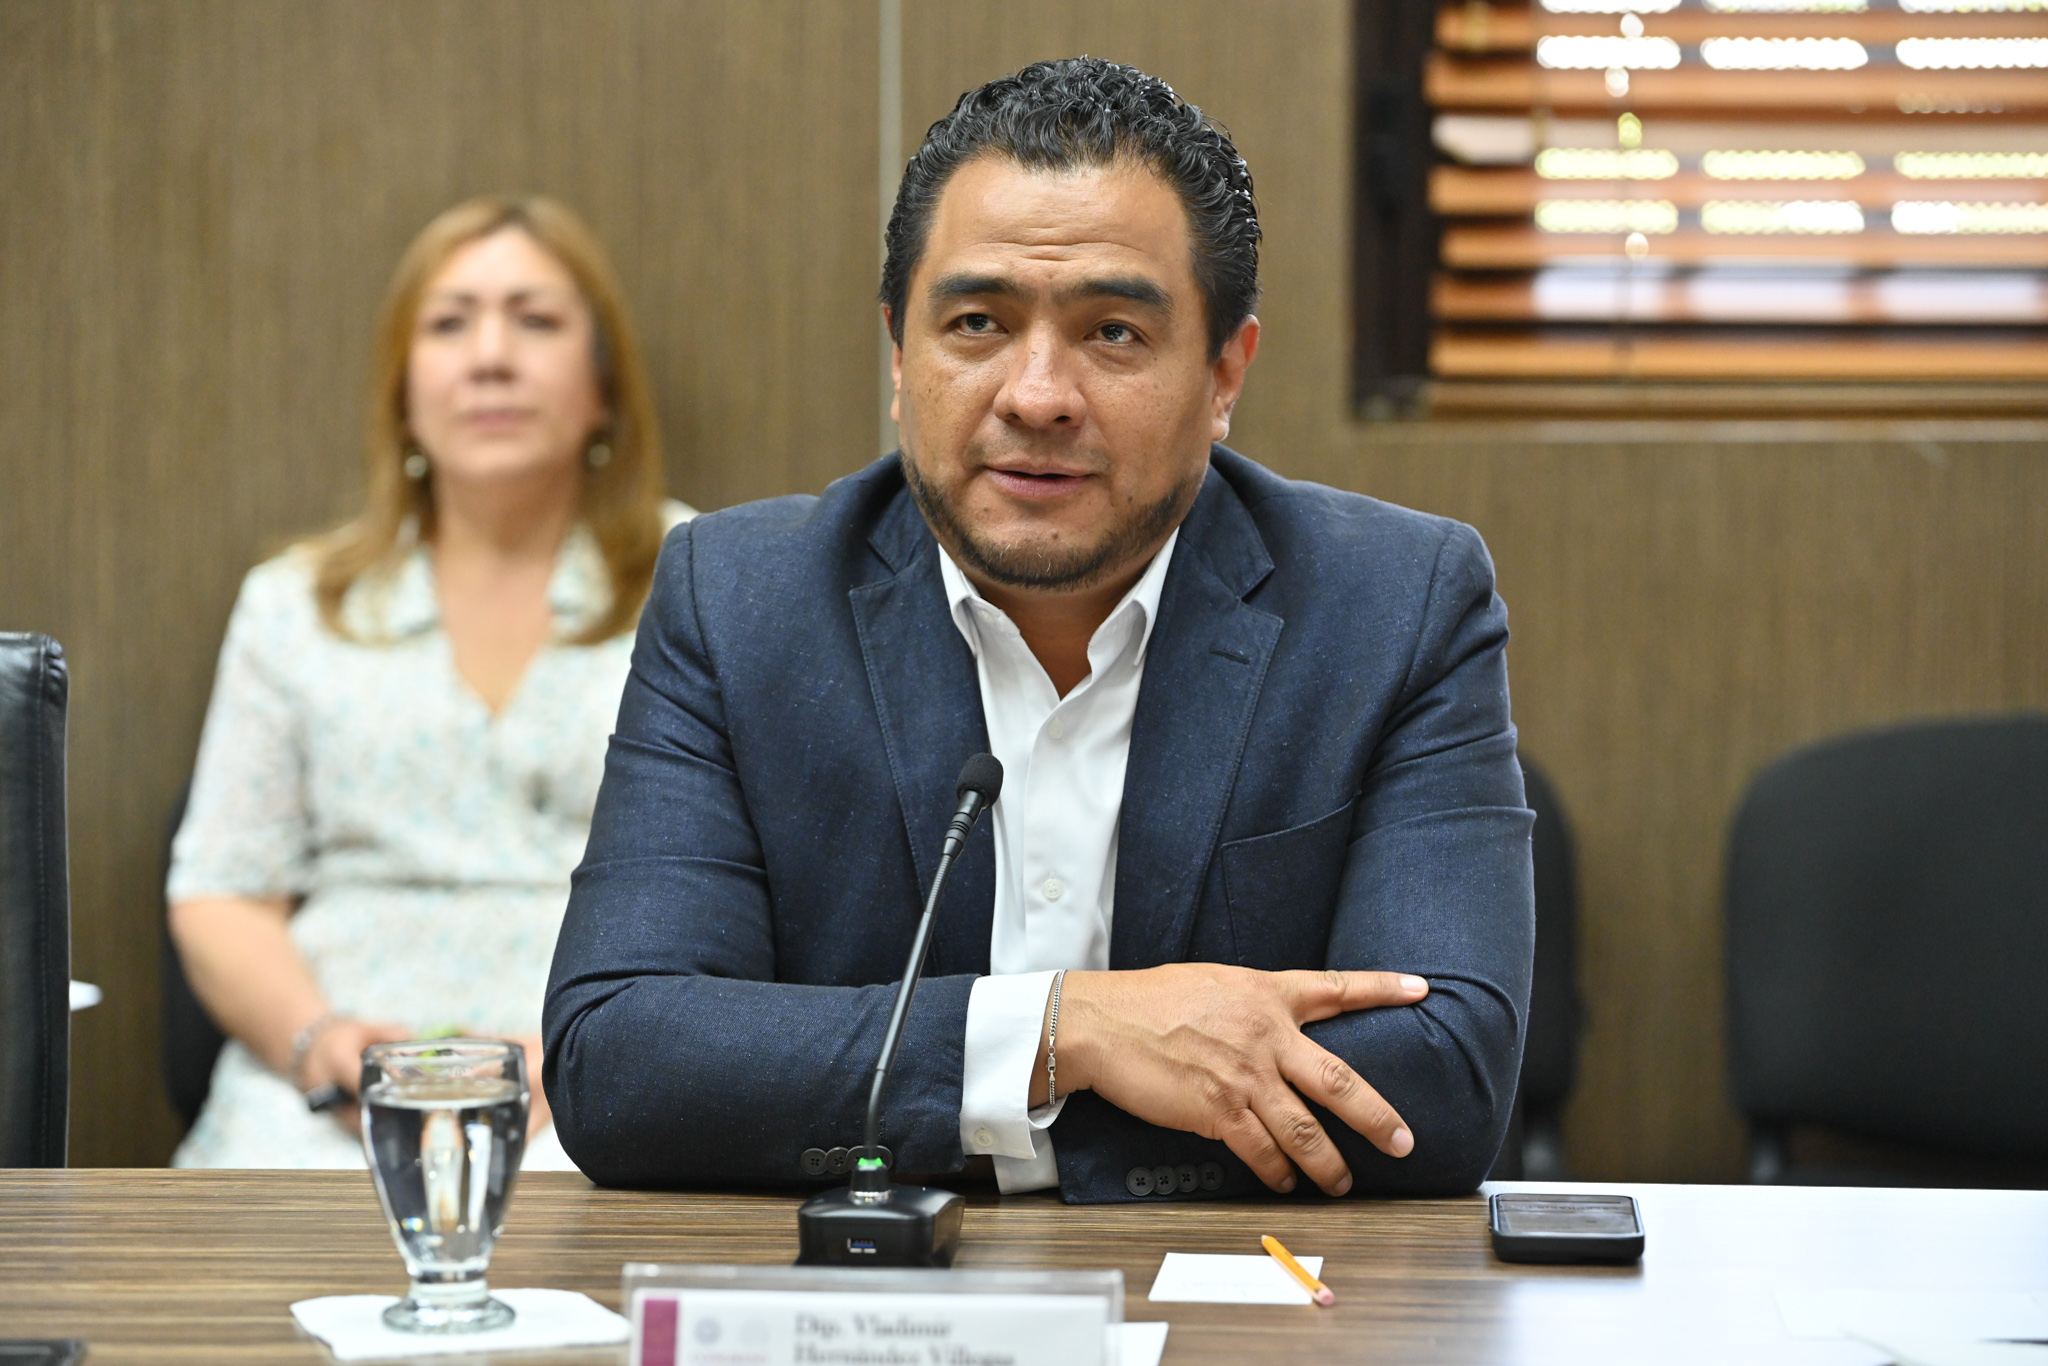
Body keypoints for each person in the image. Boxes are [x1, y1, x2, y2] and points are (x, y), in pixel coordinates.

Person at [545, 59, 1533, 1203]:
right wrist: (1070, 1033)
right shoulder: (740, 602)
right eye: (976, 323)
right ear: (900, 357)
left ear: (1223, 373)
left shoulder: (1393, 604)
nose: (1035, 395)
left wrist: (929, 1099)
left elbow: (1441, 1077)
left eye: (1112, 332)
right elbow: (622, 1058)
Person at [168, 196, 691, 1169]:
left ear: (604, 388)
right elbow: (221, 894)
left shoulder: (703, 582)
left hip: (609, 1074)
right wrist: (320, 1043)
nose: (490, 356)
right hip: (333, 1093)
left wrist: (607, 1052)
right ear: (402, 393)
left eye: (535, 320)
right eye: (449, 324)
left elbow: (763, 888)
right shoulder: (295, 605)